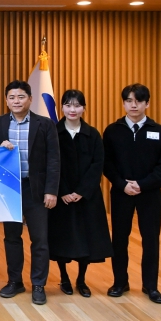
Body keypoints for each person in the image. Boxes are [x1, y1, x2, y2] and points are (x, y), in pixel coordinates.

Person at [0, 80, 60, 305]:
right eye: (12, 97)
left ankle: (38, 284)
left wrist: (51, 191)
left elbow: (54, 159)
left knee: (40, 239)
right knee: (12, 237)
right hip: (9, 188)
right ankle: (15, 281)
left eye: (21, 97)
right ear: (6, 100)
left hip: (35, 189)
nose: (16, 101)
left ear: (30, 99)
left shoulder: (45, 124)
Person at [103, 84, 161, 304]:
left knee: (150, 239)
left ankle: (150, 286)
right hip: (121, 192)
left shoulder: (160, 132)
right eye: (129, 101)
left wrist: (142, 184)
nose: (133, 105)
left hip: (149, 193)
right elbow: (106, 163)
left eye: (138, 101)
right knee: (119, 239)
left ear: (147, 103)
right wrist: (122, 184)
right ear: (123, 103)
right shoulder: (113, 131)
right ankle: (120, 282)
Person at [48, 90, 112, 298]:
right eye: (68, 105)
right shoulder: (53, 133)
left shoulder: (92, 134)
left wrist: (82, 191)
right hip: (61, 196)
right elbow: (51, 163)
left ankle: (81, 279)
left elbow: (97, 165)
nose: (72, 109)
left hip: (87, 196)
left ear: (84, 108)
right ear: (62, 107)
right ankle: (64, 277)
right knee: (61, 238)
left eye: (77, 105)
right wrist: (63, 191)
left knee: (87, 238)